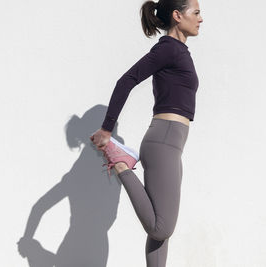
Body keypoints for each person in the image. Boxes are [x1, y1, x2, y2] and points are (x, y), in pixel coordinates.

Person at [90, 0, 203, 266]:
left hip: (170, 143)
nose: (201, 19)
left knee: (160, 231)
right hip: (164, 140)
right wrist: (107, 128)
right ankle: (120, 163)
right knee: (161, 227)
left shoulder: (179, 52)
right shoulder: (169, 50)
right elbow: (126, 80)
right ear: (178, 15)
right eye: (196, 13)